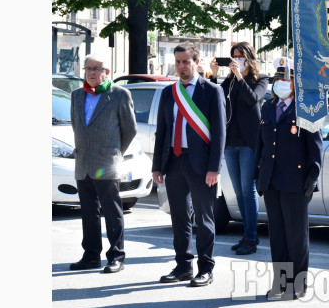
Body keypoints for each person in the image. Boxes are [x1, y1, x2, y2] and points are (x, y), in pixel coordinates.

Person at [152, 42, 226, 287]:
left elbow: (220, 132)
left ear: (196, 61)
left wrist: (214, 167)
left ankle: (205, 267)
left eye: (186, 62)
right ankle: (183, 265)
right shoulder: (167, 92)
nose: (181, 67)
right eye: (178, 62)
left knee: (204, 218)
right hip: (174, 161)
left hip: (202, 165)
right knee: (179, 218)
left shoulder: (212, 90)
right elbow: (161, 131)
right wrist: (157, 166)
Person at [254, 57, 323, 300]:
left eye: (285, 78)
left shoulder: (306, 108)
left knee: (296, 235)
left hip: (295, 180)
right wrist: (257, 174)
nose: (280, 82)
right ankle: (280, 282)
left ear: (296, 82)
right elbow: (260, 144)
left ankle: (299, 283)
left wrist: (313, 176)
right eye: (277, 78)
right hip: (271, 180)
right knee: (278, 235)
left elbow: (315, 147)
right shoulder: (268, 107)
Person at [68, 53, 137, 274]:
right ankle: (90, 255)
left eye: (97, 68)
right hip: (84, 162)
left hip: (107, 162)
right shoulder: (77, 95)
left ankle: (116, 256)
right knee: (88, 212)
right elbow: (77, 126)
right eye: (88, 68)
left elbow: (130, 129)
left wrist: (115, 152)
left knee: (112, 210)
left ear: (107, 72)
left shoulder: (118, 95)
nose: (92, 73)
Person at [209, 42, 269, 255]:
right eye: (234, 56)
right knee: (238, 192)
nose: (236, 59)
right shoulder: (231, 81)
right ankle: (246, 234)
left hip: (249, 143)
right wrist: (214, 75)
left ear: (249, 58)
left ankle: (251, 238)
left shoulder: (261, 80)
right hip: (230, 142)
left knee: (247, 190)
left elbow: (253, 100)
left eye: (240, 55)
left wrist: (240, 76)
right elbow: (215, 97)